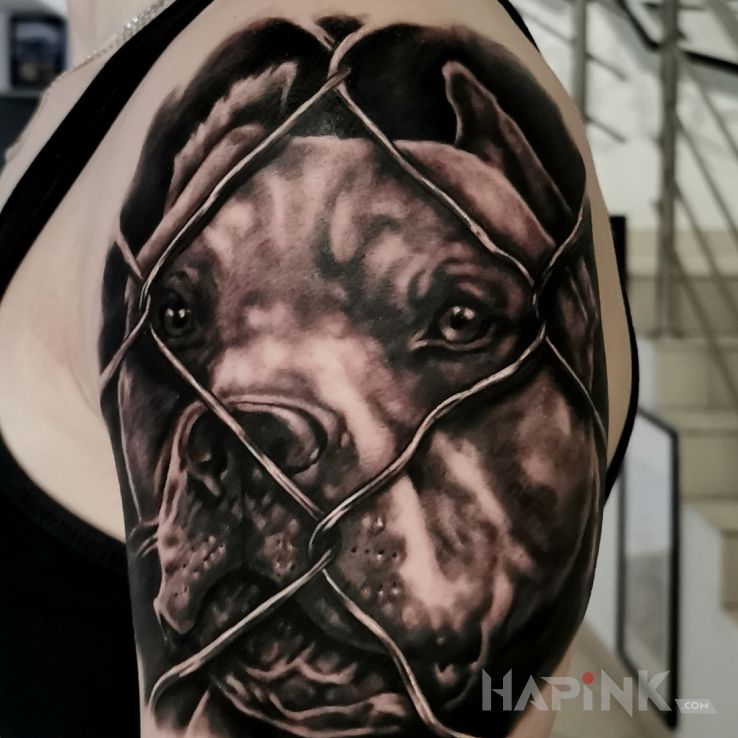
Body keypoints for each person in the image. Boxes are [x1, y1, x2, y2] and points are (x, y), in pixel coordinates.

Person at [0, 1, 637, 737]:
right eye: (179, 317)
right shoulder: (135, 51)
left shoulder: (321, 61)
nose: (243, 439)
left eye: (457, 321)